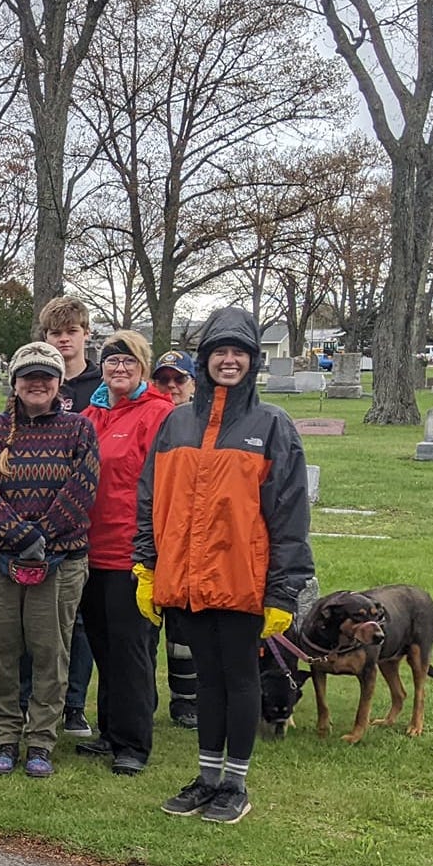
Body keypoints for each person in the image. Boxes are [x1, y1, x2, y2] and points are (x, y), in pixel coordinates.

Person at [137, 308, 313, 825]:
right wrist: (146, 565)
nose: (229, 360)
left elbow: (289, 512)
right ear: (204, 359)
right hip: (185, 579)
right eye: (220, 352)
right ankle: (207, 777)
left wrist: (284, 592)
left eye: (239, 352)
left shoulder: (271, 425)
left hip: (243, 580)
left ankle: (235, 782)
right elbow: (151, 499)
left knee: (240, 680)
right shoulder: (176, 423)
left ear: (253, 361)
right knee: (205, 681)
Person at [0, 341, 99, 778]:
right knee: (1, 653)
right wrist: (19, 534)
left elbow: (82, 490)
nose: (37, 382)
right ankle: (5, 736)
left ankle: (41, 740)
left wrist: (43, 535)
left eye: (46, 375)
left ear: (59, 383)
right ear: (15, 382)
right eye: (29, 375)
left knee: (50, 654)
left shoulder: (79, 430)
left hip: (60, 560)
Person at [73, 331, 173, 775]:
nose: (118, 368)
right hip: (88, 551)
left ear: (142, 367)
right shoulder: (90, 414)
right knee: (103, 647)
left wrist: (153, 550)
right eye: (111, 361)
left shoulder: (158, 415)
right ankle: (109, 732)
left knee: (132, 650)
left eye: (128, 361)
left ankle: (133, 743)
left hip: (131, 552)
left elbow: (163, 486)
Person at [25, 294, 99, 738]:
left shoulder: (98, 383)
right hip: (31, 521)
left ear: (85, 334)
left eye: (71, 332)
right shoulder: (38, 382)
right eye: (55, 333)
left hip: (80, 518)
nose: (64, 340)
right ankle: (29, 700)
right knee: (34, 621)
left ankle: (73, 704)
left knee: (79, 620)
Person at [151, 348, 198, 727]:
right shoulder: (151, 418)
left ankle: (186, 701)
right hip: (152, 532)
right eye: (162, 380)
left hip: (190, 539)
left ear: (192, 384)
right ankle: (143, 699)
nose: (170, 387)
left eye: (178, 380)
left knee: (184, 632)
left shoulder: (197, 423)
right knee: (144, 629)